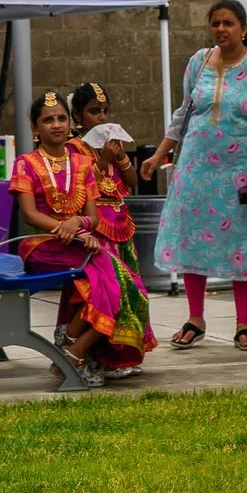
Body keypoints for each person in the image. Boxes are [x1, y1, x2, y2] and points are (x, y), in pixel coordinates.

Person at [141, 0, 247, 352]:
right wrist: (160, 154)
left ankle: (244, 324)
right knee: (193, 239)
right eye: (215, 23)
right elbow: (184, 113)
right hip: (196, 169)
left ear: (243, 28)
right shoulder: (199, 61)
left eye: (228, 23)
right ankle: (195, 318)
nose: (221, 29)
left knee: (243, 243)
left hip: (243, 174)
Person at [10, 93, 128, 383]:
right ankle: (73, 349)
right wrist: (69, 230)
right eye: (47, 120)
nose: (56, 124)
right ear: (35, 127)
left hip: (78, 245)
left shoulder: (84, 164)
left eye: (61, 118)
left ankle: (71, 345)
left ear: (69, 123)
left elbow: (93, 218)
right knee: (110, 278)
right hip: (42, 245)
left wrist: (79, 226)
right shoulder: (25, 163)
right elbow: (29, 215)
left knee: (121, 284)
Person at [81, 118, 157, 372]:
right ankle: (103, 356)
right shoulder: (78, 149)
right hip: (97, 229)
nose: (100, 118)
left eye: (104, 111)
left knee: (135, 290)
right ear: (79, 116)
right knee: (113, 291)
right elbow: (82, 185)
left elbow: (132, 181)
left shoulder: (114, 145)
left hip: (122, 226)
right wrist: (102, 160)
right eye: (93, 111)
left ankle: (127, 354)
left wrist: (121, 157)